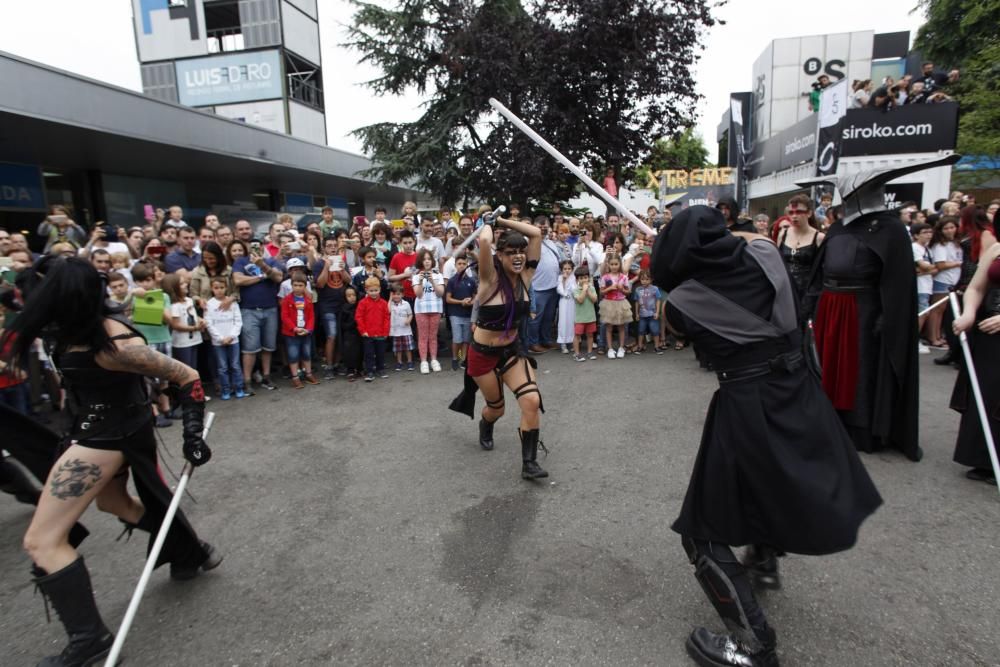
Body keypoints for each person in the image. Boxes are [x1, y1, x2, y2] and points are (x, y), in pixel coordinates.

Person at [649, 206, 881, 667]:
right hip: (799, 391)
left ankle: (755, 645)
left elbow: (676, 321)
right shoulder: (768, 253)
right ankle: (762, 556)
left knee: (702, 530)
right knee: (767, 483)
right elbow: (747, 240)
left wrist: (670, 263)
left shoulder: (683, 304)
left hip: (749, 405)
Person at [0, 257, 220, 667]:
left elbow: (187, 377)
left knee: (42, 541)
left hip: (106, 439)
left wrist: (192, 436)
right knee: (115, 504)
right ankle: (190, 550)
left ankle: (89, 640)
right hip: (95, 433)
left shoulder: (115, 345)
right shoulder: (66, 327)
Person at [803, 160, 931, 462]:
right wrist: (812, 303)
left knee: (860, 368)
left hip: (864, 310)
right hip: (831, 306)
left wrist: (887, 317)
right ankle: (830, 421)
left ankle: (863, 427)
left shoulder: (891, 229)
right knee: (828, 364)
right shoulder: (838, 228)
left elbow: (898, 284)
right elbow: (819, 271)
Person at [448, 216, 548, 480]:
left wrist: (504, 220)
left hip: (512, 351)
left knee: (531, 400)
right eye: (510, 252)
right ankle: (486, 424)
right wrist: (488, 222)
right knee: (497, 409)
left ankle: (529, 463)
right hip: (482, 355)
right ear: (499, 255)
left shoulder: (526, 276)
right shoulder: (488, 278)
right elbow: (483, 239)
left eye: (521, 252)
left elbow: (536, 233)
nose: (518, 256)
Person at [950, 241, 1000, 485]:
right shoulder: (996, 248)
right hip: (988, 331)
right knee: (988, 391)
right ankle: (984, 458)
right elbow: (976, 288)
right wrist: (969, 313)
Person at [777, 194, 825, 303]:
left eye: (798, 212)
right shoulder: (782, 234)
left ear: (809, 213)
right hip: (785, 290)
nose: (794, 216)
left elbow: (821, 271)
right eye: (791, 212)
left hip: (808, 294)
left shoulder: (819, 238)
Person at [204, 276, 245, 400]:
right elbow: (209, 323)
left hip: (233, 340)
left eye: (222, 287)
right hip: (218, 342)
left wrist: (231, 336)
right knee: (222, 367)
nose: (219, 290)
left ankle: (238, 387)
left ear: (226, 288)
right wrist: (220, 338)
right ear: (212, 289)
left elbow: (238, 321)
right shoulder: (209, 304)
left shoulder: (232, 303)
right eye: (216, 288)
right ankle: (225, 389)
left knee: (235, 365)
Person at [927, 216, 963, 348]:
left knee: (942, 310)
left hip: (953, 280)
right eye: (946, 228)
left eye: (952, 227)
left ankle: (938, 336)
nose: (949, 231)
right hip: (942, 280)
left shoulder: (956, 243)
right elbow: (940, 265)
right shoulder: (940, 245)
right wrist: (958, 263)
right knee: (936, 309)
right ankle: (932, 337)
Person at [280, 273, 319, 388]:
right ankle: (295, 377)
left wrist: (309, 329)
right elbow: (284, 316)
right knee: (293, 355)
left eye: (300, 285)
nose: (297, 288)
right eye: (295, 285)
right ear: (291, 286)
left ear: (305, 286)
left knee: (306, 354)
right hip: (291, 333)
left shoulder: (308, 300)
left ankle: (308, 374)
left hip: (306, 332)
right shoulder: (287, 300)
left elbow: (311, 316)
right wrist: (294, 328)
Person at [411, 248, 446, 374]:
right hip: (421, 309)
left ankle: (434, 360)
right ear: (420, 261)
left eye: (429, 259)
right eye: (424, 259)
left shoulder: (438, 276)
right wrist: (420, 281)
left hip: (435, 308)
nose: (426, 262)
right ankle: (424, 361)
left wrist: (432, 281)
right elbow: (418, 294)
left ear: (432, 261)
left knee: (433, 336)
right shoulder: (416, 277)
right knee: (423, 336)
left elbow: (440, 293)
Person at [162, 273, 205, 372]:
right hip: (182, 342)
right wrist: (195, 328)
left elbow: (192, 315)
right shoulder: (174, 306)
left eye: (185, 282)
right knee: (186, 369)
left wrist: (200, 320)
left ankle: (195, 386)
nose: (186, 284)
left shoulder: (189, 300)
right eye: (181, 284)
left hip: (194, 339)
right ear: (173, 288)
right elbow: (176, 324)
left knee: (194, 367)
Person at [355, 275, 391, 381]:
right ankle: (370, 371)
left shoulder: (384, 303)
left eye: (376, 290)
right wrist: (363, 330)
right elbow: (358, 317)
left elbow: (387, 318)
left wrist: (385, 331)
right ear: (366, 290)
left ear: (379, 289)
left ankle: (381, 368)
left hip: (380, 333)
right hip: (368, 334)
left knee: (380, 352)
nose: (374, 293)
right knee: (369, 354)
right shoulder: (362, 303)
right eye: (371, 290)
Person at [445, 255, 477, 370]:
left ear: (467, 265)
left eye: (464, 264)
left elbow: (475, 297)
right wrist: (461, 302)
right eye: (459, 264)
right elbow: (448, 298)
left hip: (468, 315)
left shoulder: (471, 281)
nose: (462, 266)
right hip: (455, 314)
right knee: (457, 339)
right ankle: (455, 358)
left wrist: (470, 302)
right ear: (455, 265)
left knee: (466, 340)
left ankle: (463, 359)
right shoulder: (452, 281)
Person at [911, 222, 937, 353]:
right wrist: (929, 269)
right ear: (916, 235)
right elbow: (925, 266)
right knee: (922, 313)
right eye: (925, 233)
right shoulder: (915, 247)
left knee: (924, 313)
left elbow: (934, 267)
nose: (928, 235)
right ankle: (914, 340)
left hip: (926, 285)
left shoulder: (928, 248)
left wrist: (930, 269)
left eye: (930, 232)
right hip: (919, 286)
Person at [599, 252, 631, 359]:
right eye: (612, 264)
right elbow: (601, 292)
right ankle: (610, 348)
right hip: (608, 303)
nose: (614, 266)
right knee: (609, 327)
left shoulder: (623, 277)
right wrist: (610, 288)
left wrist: (622, 289)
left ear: (619, 264)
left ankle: (621, 347)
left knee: (622, 326)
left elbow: (628, 292)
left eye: (616, 264)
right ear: (608, 264)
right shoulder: (605, 277)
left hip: (621, 303)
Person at [633, 270, 662, 354]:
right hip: (642, 315)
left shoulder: (655, 289)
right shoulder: (638, 289)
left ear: (651, 279)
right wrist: (637, 313)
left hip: (652, 314)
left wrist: (657, 312)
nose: (644, 281)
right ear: (640, 279)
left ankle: (657, 347)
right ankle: (640, 346)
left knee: (655, 331)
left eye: (647, 279)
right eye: (642, 279)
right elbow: (637, 302)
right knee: (641, 330)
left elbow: (658, 300)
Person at [572, 265, 598, 362]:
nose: (584, 280)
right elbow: (580, 300)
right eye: (581, 278)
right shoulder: (575, 290)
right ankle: (577, 354)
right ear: (577, 279)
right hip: (580, 318)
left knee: (590, 335)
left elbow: (594, 299)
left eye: (585, 277)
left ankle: (590, 352)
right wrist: (584, 290)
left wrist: (588, 290)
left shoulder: (592, 288)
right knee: (577, 336)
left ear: (589, 278)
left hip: (590, 317)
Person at [389, 284, 414, 371]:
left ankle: (410, 361)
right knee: (398, 349)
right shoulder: (391, 304)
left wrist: (409, 320)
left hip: (406, 330)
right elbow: (388, 311)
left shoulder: (406, 304)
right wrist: (390, 299)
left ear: (402, 295)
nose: (396, 296)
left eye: (398, 294)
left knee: (408, 347)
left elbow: (410, 314)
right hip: (396, 331)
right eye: (394, 294)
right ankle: (399, 362)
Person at [339, 286, 363, 380]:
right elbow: (342, 325)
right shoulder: (344, 309)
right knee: (350, 351)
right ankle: (350, 370)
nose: (352, 297)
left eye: (353, 295)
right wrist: (353, 322)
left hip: (359, 332)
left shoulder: (360, 306)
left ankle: (360, 368)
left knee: (360, 350)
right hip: (349, 333)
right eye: (349, 296)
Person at [555, 259, 577, 354]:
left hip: (572, 301)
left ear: (572, 269)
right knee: (563, 321)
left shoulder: (574, 278)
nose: (567, 270)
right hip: (563, 301)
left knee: (572, 321)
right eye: (565, 268)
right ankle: (563, 343)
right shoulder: (560, 278)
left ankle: (571, 341)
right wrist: (564, 280)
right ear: (561, 269)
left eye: (569, 268)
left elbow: (575, 289)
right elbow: (559, 289)